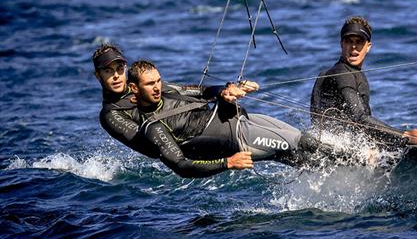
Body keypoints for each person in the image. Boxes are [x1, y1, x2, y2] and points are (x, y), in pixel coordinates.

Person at [92, 44, 309, 178]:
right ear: (98, 76)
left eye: (120, 69)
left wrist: (227, 91)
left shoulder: (152, 85)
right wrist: (226, 161)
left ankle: (334, 171)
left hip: (231, 120)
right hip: (216, 140)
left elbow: (202, 91)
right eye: (108, 71)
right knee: (299, 145)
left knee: (300, 146)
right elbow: (153, 146)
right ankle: (339, 162)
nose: (116, 75)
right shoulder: (112, 114)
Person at [310, 16, 417, 147]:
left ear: (368, 46)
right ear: (341, 44)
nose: (354, 47)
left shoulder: (342, 72)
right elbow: (360, 118)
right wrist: (404, 136)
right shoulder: (343, 74)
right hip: (338, 150)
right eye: (349, 41)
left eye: (359, 42)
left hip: (334, 147)